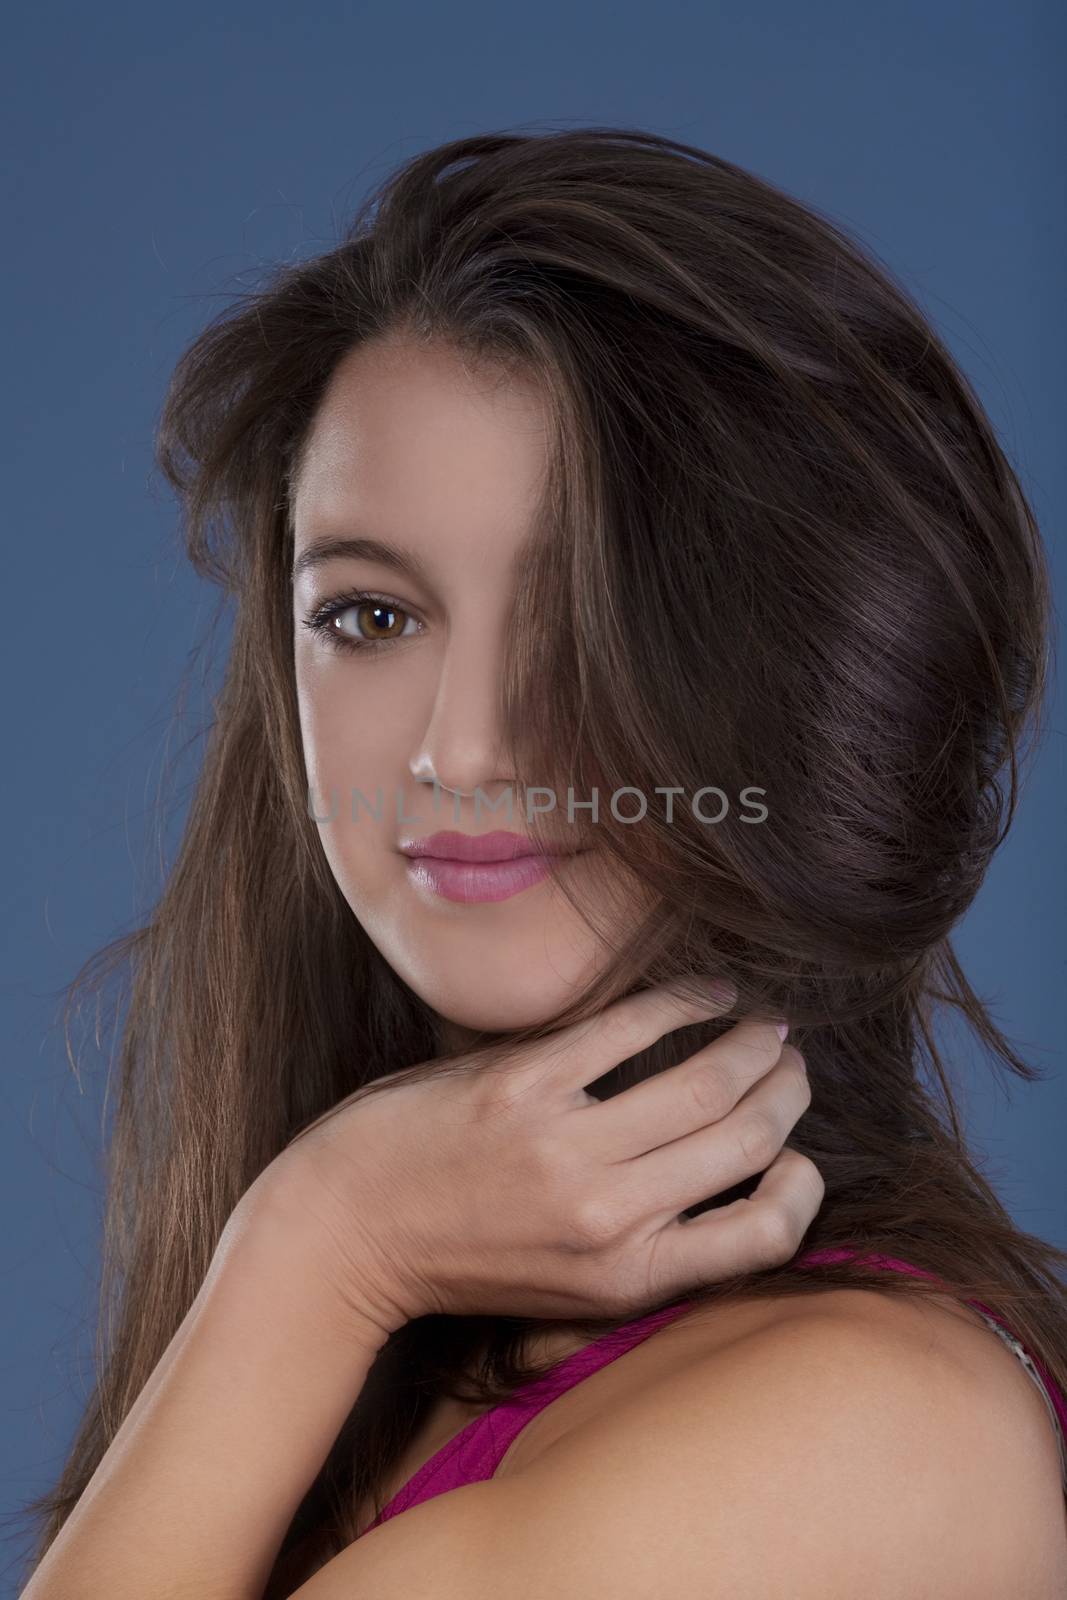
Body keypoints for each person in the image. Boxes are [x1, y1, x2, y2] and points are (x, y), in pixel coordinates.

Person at [18, 126, 1067, 1599]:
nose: (464, 750)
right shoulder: (412, 1352)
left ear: (791, 669)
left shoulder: (864, 1428)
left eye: (577, 618)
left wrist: (325, 1246)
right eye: (372, 618)